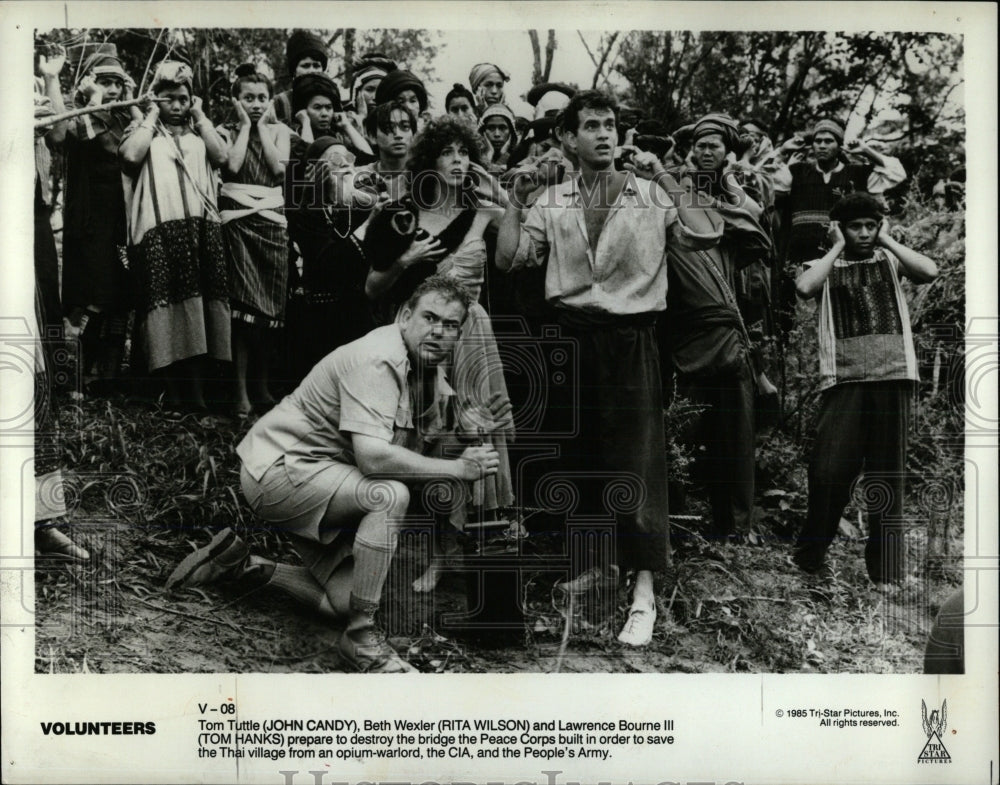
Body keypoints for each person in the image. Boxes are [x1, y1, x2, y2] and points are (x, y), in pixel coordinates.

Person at [167, 276, 501, 673]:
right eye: (430, 317)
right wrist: (459, 468)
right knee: (389, 496)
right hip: (279, 472)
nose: (438, 331)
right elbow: (375, 461)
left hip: (326, 479)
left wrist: (462, 437)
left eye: (450, 325)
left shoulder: (427, 371)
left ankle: (242, 565)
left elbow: (415, 455)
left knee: (346, 600)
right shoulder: (380, 359)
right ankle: (362, 639)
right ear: (406, 315)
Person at [495, 91, 727, 646]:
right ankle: (595, 571)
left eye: (610, 125)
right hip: (572, 337)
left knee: (636, 460)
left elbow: (708, 231)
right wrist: (512, 201)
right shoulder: (552, 198)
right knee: (578, 456)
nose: (604, 134)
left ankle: (643, 591)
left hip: (631, 339)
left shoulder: (650, 191)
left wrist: (668, 177)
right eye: (591, 126)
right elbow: (510, 260)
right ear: (566, 139)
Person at [364, 117, 527, 586]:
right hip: (417, 341)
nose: (458, 161)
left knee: (471, 437)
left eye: (464, 152)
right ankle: (424, 547)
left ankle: (460, 553)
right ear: (428, 160)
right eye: (448, 152)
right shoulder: (400, 215)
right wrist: (404, 261)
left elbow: (515, 257)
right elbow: (372, 290)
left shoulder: (483, 212)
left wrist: (501, 192)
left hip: (471, 338)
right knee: (426, 440)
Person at [793, 193, 937, 592]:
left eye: (870, 225)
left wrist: (888, 241)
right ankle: (809, 559)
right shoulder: (822, 265)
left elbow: (929, 271)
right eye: (854, 226)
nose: (863, 233)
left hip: (894, 377)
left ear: (880, 226)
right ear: (839, 228)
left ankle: (887, 572)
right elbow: (805, 287)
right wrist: (837, 245)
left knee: (887, 477)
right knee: (827, 472)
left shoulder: (890, 259)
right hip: (844, 380)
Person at [661, 113, 773, 539]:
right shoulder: (671, 186)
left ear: (728, 152)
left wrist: (725, 188)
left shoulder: (736, 192)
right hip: (683, 325)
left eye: (714, 146)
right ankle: (677, 521)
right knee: (680, 428)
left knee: (736, 434)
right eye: (700, 145)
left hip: (729, 328)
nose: (706, 151)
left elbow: (755, 228)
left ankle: (736, 527)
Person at [118, 60, 231, 414]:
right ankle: (171, 393)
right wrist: (150, 115)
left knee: (198, 307)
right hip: (159, 228)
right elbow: (131, 156)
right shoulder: (143, 131)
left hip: (198, 229)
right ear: (155, 99)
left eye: (184, 97)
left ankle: (196, 394)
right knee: (165, 304)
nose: (177, 104)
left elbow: (222, 156)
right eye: (169, 98)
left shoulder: (201, 134)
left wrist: (201, 115)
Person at [776, 118, 907, 330]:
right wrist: (782, 151)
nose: (822, 145)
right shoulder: (797, 171)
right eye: (818, 141)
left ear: (839, 145)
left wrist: (866, 151)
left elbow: (897, 174)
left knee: (843, 319)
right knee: (805, 324)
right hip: (801, 260)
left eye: (829, 141)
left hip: (845, 259)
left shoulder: (860, 173)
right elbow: (764, 179)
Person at [216, 65, 292, 419]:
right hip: (239, 226)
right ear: (236, 100)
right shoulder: (227, 131)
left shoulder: (279, 131)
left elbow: (279, 171)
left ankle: (261, 385)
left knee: (269, 311)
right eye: (249, 98)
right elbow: (231, 168)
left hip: (272, 226)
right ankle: (240, 390)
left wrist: (262, 126)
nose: (257, 104)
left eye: (262, 98)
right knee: (242, 312)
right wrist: (246, 126)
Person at [61, 47, 137, 394]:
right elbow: (101, 145)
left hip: (121, 219)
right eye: (104, 82)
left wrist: (133, 104)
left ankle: (108, 375)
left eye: (117, 84)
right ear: (89, 83)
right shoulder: (82, 116)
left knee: (119, 296)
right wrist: (93, 102)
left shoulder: (124, 118)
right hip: (90, 222)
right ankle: (77, 373)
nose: (113, 91)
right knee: (89, 296)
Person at [273, 29, 329, 124]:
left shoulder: (330, 100)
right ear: (294, 71)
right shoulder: (280, 102)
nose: (312, 71)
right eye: (305, 66)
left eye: (316, 66)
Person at [478, 103, 518, 174]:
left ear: (511, 132)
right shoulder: (474, 158)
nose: (497, 134)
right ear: (483, 131)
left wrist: (505, 155)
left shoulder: (519, 159)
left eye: (502, 128)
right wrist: (488, 155)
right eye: (491, 128)